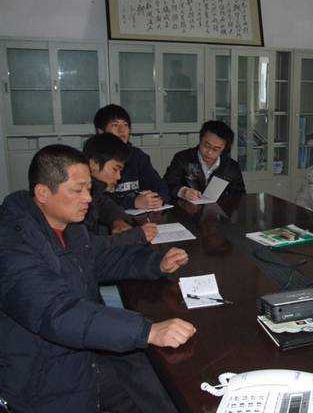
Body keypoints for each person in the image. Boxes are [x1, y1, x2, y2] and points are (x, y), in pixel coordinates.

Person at [0, 145, 195, 412]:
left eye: (89, 189)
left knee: (160, 389)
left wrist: (155, 263)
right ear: (43, 193)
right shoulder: (11, 246)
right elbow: (57, 313)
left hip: (83, 353)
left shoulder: (70, 228)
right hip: (40, 376)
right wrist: (146, 331)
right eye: (77, 190)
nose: (88, 199)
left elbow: (101, 260)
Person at [83, 133, 158, 245]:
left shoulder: (94, 190)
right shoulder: (78, 195)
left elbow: (106, 205)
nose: (118, 177)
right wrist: (133, 236)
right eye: (115, 169)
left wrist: (118, 221)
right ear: (94, 164)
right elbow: (87, 245)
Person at [94, 104, 171, 209]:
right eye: (115, 125)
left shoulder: (137, 156)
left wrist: (158, 199)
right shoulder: (94, 159)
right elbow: (96, 200)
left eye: (125, 124)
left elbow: (160, 186)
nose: (122, 130)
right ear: (100, 131)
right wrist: (133, 202)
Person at [163, 120, 246, 201]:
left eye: (216, 149)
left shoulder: (231, 167)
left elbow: (240, 195)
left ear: (224, 149)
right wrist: (183, 192)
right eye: (206, 146)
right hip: (187, 208)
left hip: (218, 209)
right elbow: (167, 185)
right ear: (200, 140)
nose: (209, 152)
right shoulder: (182, 158)